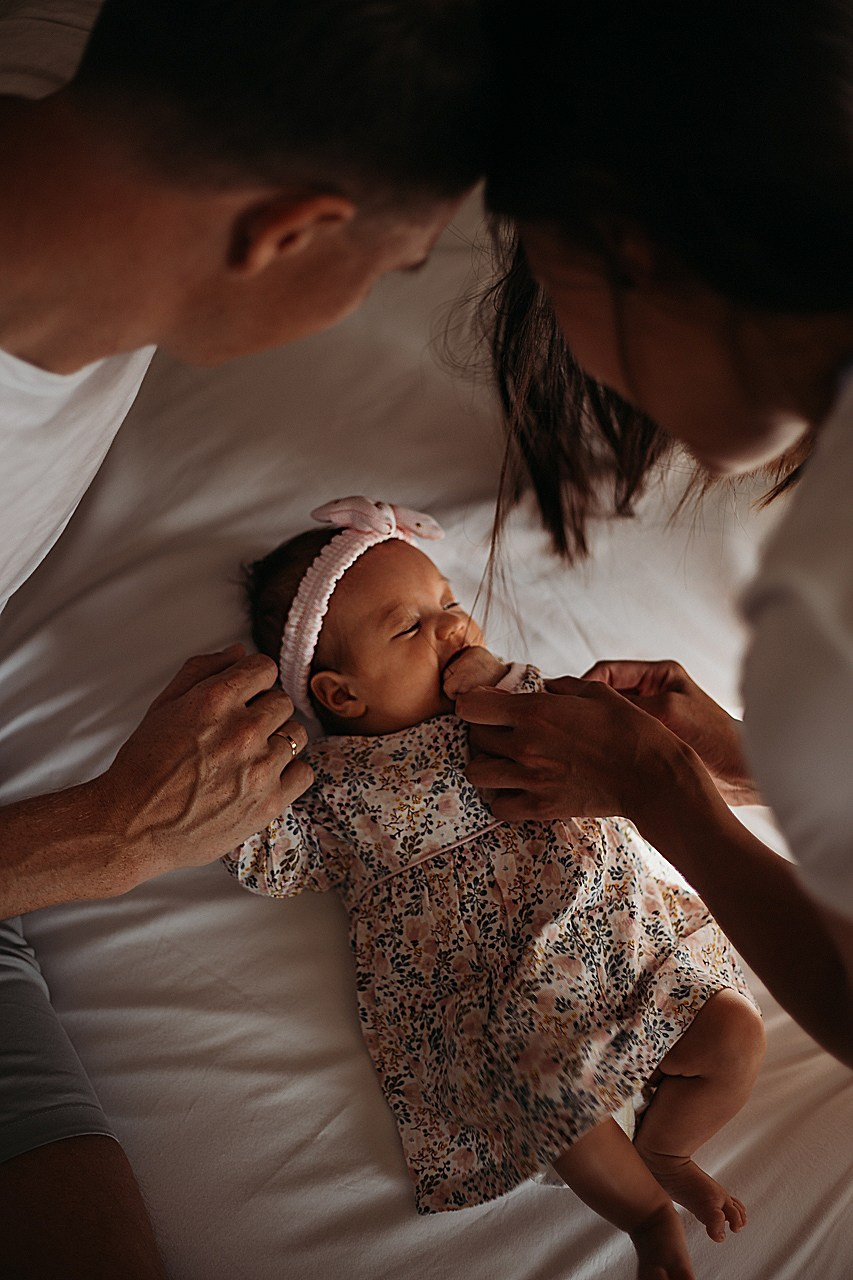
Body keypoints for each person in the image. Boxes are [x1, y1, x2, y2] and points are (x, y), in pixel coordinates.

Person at [0, 1, 489, 1273]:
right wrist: (108, 834)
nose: (367, 302)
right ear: (290, 233)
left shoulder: (70, 191)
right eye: (387, 269)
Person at [226, 495, 765, 1280]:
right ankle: (647, 1220)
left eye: (447, 604)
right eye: (409, 628)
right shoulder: (334, 788)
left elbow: (597, 726)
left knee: (735, 1034)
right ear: (342, 696)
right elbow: (271, 859)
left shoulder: (516, 709)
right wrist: (245, 769)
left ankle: (667, 1147)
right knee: (547, 1095)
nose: (450, 626)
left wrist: (510, 685)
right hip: (510, 1008)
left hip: (627, 948)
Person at [461, 0, 853, 1070]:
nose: (580, 360)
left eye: (549, 283)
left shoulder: (821, 608)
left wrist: (661, 789)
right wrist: (767, 766)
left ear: (627, 249)